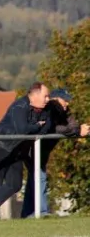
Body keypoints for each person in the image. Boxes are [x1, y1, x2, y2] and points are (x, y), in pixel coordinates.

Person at [0, 82, 51, 221]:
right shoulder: (19, 106)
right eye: (45, 96)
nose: (48, 100)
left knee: (14, 184)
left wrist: (35, 127)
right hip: (0, 147)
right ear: (35, 95)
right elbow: (22, 130)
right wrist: (36, 126)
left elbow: (46, 127)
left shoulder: (43, 110)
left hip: (16, 151)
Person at [20, 88, 90, 218]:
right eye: (65, 100)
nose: (67, 104)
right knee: (39, 177)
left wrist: (77, 130)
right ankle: (41, 212)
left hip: (41, 151)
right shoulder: (48, 108)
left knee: (33, 180)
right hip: (31, 148)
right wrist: (77, 131)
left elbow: (72, 126)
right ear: (55, 99)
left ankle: (27, 214)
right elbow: (52, 128)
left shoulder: (64, 111)